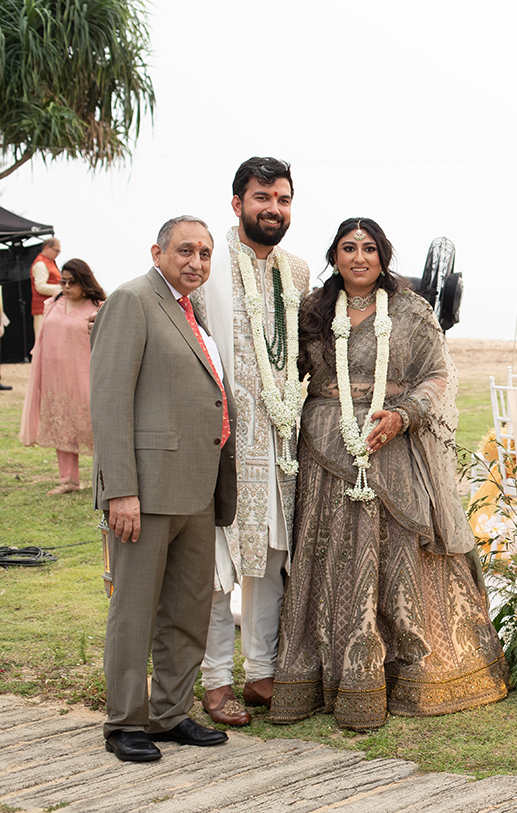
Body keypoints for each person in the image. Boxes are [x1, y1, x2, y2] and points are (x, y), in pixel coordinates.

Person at [271, 218, 507, 730]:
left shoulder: (409, 309)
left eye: (370, 248)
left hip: (391, 441)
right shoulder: (311, 309)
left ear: (384, 256)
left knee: (399, 552)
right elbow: (286, 371)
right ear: (334, 256)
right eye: (349, 248)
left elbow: (438, 375)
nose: (359, 257)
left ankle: (407, 672)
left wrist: (404, 415)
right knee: (331, 552)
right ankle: (323, 674)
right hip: (325, 449)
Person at [91, 215, 237, 762]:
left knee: (187, 607)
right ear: (157, 251)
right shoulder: (132, 301)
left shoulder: (189, 309)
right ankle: (125, 721)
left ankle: (170, 712)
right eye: (184, 251)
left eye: (203, 253)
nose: (195, 262)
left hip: (197, 490)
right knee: (134, 608)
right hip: (145, 493)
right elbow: (109, 403)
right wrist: (120, 491)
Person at [196, 157, 311, 728]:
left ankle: (261, 672)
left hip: (281, 442)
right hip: (221, 442)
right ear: (237, 203)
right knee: (219, 566)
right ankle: (216, 680)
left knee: (270, 559)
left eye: (283, 199)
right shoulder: (207, 264)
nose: (273, 208)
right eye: (262, 197)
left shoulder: (298, 270)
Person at [19, 259, 105, 494]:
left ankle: (108, 478)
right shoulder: (55, 302)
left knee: (95, 426)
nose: (66, 287)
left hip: (86, 376)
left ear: (84, 283)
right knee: (62, 424)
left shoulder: (98, 306)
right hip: (55, 378)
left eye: (72, 282)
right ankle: (68, 480)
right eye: (63, 281)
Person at [29, 237, 62, 339]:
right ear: (47, 248)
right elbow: (40, 287)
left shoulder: (50, 263)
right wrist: (62, 289)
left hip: (51, 308)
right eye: (56, 251)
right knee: (43, 341)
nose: (57, 254)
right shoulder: (40, 264)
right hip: (42, 309)